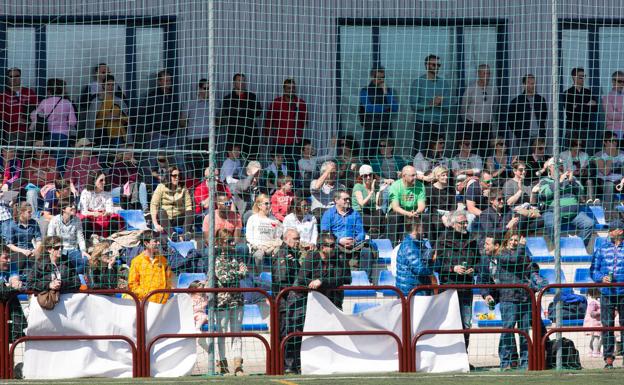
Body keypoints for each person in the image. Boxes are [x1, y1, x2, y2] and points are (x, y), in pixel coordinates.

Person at [284, 231, 351, 374]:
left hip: (331, 301)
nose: (333, 248)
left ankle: (329, 363)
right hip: (304, 301)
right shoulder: (311, 257)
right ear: (321, 246)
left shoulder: (339, 257)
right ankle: (292, 365)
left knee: (331, 334)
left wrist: (321, 282)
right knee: (297, 331)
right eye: (330, 245)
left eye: (334, 244)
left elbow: (345, 278)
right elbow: (302, 279)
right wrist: (313, 283)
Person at [483, 231, 532, 370]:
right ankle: (505, 362)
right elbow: (514, 261)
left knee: (524, 332)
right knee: (508, 331)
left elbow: (530, 267)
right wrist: (522, 247)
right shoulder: (501, 254)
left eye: (516, 240)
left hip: (524, 297)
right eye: (511, 240)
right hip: (508, 298)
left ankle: (526, 363)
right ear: (506, 241)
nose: (513, 243)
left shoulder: (523, 254)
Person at [435, 210, 481, 353]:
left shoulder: (472, 240)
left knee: (466, 324)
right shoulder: (443, 240)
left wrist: (474, 269)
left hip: (466, 288)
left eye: (466, 222)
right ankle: (448, 355)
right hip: (448, 288)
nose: (464, 225)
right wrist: (452, 268)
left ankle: (463, 356)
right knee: (449, 324)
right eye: (462, 223)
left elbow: (479, 262)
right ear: (453, 224)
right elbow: (436, 265)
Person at [213, 228, 248, 376]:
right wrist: (238, 273)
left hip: (237, 299)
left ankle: (238, 365)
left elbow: (245, 272)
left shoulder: (237, 255)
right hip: (222, 301)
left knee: (236, 333)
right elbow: (223, 278)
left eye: (233, 240)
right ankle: (222, 364)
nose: (233, 243)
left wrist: (238, 273)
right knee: (221, 333)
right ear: (220, 243)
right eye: (229, 241)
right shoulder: (215, 257)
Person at [590, 220, 624, 369]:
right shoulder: (601, 249)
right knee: (607, 326)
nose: (609, 232)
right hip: (607, 292)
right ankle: (608, 359)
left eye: (612, 229)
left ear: (620, 231)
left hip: (623, 291)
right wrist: (600, 278)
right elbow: (593, 270)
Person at [537, 157, 594, 245]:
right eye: (556, 165)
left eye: (560, 165)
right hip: (552, 213)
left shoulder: (572, 179)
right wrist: (559, 182)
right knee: (551, 225)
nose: (559, 167)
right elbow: (544, 194)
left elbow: (581, 191)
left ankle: (578, 247)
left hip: (574, 214)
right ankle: (559, 249)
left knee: (589, 223)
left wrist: (571, 182)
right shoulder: (544, 181)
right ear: (549, 168)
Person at [320, 190, 374, 281]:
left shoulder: (355, 214)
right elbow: (325, 233)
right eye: (345, 199)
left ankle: (366, 281)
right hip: (336, 244)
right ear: (336, 200)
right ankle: (343, 282)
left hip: (355, 244)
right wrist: (339, 240)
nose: (348, 201)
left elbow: (361, 232)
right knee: (339, 255)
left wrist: (355, 240)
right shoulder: (328, 214)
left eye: (348, 199)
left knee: (367, 251)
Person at [136, 70, 185, 168]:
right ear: (159, 82)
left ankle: (183, 181)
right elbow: (142, 113)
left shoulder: (173, 96)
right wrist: (148, 130)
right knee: (150, 161)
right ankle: (147, 182)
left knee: (178, 160)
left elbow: (176, 112)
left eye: (169, 81)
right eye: (165, 81)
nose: (168, 83)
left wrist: (176, 126)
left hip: (171, 134)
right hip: (157, 134)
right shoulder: (152, 96)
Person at [29, 78, 77, 173]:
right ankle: (59, 181)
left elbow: (33, 115)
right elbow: (73, 122)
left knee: (47, 160)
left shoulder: (44, 102)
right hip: (63, 135)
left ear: (49, 90)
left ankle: (47, 177)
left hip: (48, 135)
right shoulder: (67, 103)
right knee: (61, 161)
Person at [410, 54, 455, 152]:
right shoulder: (418, 82)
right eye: (433, 65)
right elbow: (413, 105)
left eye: (438, 65)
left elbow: (449, 104)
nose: (436, 67)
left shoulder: (444, 83)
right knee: (420, 151)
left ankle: (438, 168)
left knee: (438, 151)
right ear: (427, 65)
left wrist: (440, 103)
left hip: (438, 123)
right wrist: (430, 104)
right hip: (422, 123)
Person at [273, 228, 302, 373]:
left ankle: (293, 365)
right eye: (296, 238)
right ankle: (287, 366)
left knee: (294, 334)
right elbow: (280, 280)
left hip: (293, 303)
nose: (298, 241)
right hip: (286, 304)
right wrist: (295, 289)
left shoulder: (293, 254)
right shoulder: (282, 254)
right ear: (286, 239)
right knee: (287, 334)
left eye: (298, 238)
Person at [219, 73, 263, 158]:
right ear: (234, 82)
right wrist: (246, 110)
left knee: (252, 162)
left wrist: (240, 111)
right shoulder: (228, 98)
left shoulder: (252, 97)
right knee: (233, 163)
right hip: (234, 136)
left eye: (243, 81)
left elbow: (258, 112)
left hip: (250, 135)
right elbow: (229, 114)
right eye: (239, 80)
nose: (242, 83)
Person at [265, 78, 308, 164]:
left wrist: (298, 133)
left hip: (295, 142)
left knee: (294, 165)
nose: (291, 90)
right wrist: (267, 137)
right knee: (280, 165)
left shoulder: (301, 103)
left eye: (293, 88)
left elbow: (305, 121)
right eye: (288, 88)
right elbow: (269, 122)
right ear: (284, 89)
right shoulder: (276, 103)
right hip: (280, 141)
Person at [359, 67, 398, 159]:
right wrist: (385, 107)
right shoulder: (365, 90)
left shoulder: (388, 91)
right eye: (379, 77)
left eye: (383, 77)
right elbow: (368, 108)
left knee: (386, 154)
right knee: (369, 154)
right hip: (371, 127)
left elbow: (395, 108)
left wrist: (385, 93)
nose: (381, 80)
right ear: (372, 77)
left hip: (385, 127)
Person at [461, 64, 498, 156]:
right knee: (471, 151)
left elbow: (495, 107)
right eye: (484, 73)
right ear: (479, 74)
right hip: (473, 124)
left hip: (487, 125)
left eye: (488, 73)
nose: (487, 76)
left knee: (486, 151)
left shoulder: (493, 89)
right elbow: (463, 108)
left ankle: (486, 169)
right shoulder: (471, 89)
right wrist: (467, 121)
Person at [507, 74, 548, 155]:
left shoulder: (540, 99)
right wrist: (518, 133)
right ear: (524, 85)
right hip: (523, 138)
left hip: (538, 137)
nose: (532, 85)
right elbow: (511, 120)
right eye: (529, 83)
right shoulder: (517, 101)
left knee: (538, 161)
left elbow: (544, 116)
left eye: (533, 83)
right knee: (524, 161)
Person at [46, 198, 90, 275]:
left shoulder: (77, 220)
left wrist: (83, 251)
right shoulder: (55, 220)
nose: (73, 207)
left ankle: (76, 279)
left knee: (84, 261)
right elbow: (50, 237)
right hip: (59, 250)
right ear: (63, 209)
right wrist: (54, 250)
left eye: (74, 205)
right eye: (70, 206)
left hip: (73, 249)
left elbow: (80, 237)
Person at [128, 230, 173, 304]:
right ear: (146, 243)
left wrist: (164, 298)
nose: (158, 243)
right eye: (155, 241)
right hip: (144, 303)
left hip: (161, 304)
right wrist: (146, 295)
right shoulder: (136, 262)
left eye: (158, 241)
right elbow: (132, 284)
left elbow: (168, 281)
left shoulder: (163, 261)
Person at [87, 74, 128, 153]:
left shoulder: (120, 101)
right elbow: (91, 121)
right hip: (101, 133)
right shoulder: (96, 101)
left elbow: (127, 119)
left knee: (118, 156)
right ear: (103, 85)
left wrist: (119, 117)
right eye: (108, 84)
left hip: (117, 133)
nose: (110, 87)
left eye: (113, 85)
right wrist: (105, 118)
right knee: (102, 156)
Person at [203, 194, 248, 264]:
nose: (229, 205)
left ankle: (242, 271)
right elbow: (207, 239)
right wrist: (220, 247)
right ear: (218, 205)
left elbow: (236, 238)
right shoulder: (209, 218)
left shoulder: (236, 217)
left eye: (230, 203)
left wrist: (229, 246)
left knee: (243, 248)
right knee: (207, 252)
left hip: (230, 245)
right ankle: (209, 273)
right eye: (226, 203)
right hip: (215, 246)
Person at [387, 165, 426, 244]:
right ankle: (392, 245)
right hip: (399, 211)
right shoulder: (395, 186)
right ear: (404, 176)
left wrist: (416, 212)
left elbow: (422, 205)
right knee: (395, 217)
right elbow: (395, 207)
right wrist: (408, 214)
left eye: (416, 175)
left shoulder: (420, 186)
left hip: (414, 211)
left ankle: (425, 245)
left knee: (427, 216)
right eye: (412, 175)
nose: (415, 177)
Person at [395, 218, 434, 296]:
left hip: (416, 289)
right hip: (411, 292)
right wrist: (433, 263)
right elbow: (420, 269)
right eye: (422, 226)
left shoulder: (418, 244)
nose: (424, 229)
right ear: (417, 228)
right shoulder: (409, 246)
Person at [245, 194, 283, 274]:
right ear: (259, 205)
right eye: (266, 204)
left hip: (271, 246)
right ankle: (259, 277)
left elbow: (277, 237)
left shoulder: (273, 219)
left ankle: (276, 278)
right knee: (259, 255)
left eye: (270, 203)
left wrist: (273, 246)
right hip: (258, 246)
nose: (269, 206)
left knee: (280, 253)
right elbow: (249, 237)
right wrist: (258, 246)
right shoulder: (253, 219)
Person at [0, 67, 38, 145]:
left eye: (17, 76)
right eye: (11, 76)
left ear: (20, 77)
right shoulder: (3, 95)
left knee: (26, 155)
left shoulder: (29, 92)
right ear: (7, 78)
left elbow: (38, 108)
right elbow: (1, 114)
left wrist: (29, 120)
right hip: (11, 131)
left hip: (28, 130)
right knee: (12, 156)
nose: (14, 78)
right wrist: (16, 119)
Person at [563, 68, 599, 151]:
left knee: (588, 152)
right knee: (570, 153)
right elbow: (570, 111)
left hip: (585, 127)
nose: (583, 78)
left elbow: (594, 109)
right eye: (580, 76)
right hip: (572, 128)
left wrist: (578, 106)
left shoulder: (588, 92)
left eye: (584, 76)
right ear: (574, 77)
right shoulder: (567, 93)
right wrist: (587, 105)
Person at [150, 166, 193, 235]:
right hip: (165, 218)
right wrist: (155, 224)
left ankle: (185, 234)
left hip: (178, 217)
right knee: (161, 211)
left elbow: (188, 205)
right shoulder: (161, 187)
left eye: (179, 175)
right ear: (168, 176)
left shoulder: (183, 188)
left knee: (190, 211)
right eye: (174, 175)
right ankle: (172, 235)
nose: (177, 177)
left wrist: (189, 211)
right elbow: (153, 205)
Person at [2, 202, 41, 274]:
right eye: (29, 212)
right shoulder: (12, 225)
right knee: (21, 259)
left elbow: (39, 240)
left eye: (31, 212)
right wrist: (23, 251)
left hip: (31, 251)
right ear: (21, 212)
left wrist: (35, 250)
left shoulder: (34, 223)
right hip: (17, 252)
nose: (31, 214)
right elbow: (9, 244)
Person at [185, 79, 214, 177]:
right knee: (195, 167)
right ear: (200, 89)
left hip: (208, 139)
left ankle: (207, 190)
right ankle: (196, 190)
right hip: (194, 140)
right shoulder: (191, 103)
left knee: (208, 167)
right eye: (205, 88)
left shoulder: (214, 103)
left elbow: (220, 120)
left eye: (210, 89)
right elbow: (182, 121)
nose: (208, 91)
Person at [78, 171, 120, 237]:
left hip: (103, 217)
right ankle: (87, 240)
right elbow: (83, 211)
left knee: (114, 221)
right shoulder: (86, 192)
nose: (104, 182)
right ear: (94, 181)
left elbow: (110, 209)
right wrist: (93, 214)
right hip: (90, 216)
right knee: (85, 222)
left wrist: (107, 213)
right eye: (101, 180)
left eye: (105, 180)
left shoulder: (107, 193)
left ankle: (110, 240)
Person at [0, 242, 26, 344]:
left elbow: (15, 281)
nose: (9, 260)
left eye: (9, 257)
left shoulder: (12, 265)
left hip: (9, 306)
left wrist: (15, 283)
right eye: (5, 258)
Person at [351, 164, 387, 234]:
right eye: (365, 175)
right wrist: (371, 192)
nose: (368, 177)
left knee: (380, 213)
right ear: (361, 177)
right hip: (360, 213)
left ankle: (372, 234)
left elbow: (378, 204)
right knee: (380, 220)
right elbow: (361, 204)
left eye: (370, 175)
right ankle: (373, 235)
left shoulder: (375, 187)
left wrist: (380, 191)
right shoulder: (358, 186)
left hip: (371, 213)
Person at [596, 131, 624, 219]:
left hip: (621, 181)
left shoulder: (622, 154)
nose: (614, 143)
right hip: (604, 181)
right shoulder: (599, 155)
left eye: (615, 141)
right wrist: (611, 156)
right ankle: (608, 214)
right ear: (605, 142)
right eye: (612, 141)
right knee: (609, 185)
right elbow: (605, 172)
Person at [424, 166, 458, 239]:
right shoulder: (429, 189)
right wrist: (442, 217)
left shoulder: (451, 189)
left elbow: (453, 206)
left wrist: (448, 216)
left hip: (449, 214)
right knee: (437, 223)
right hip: (434, 215)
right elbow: (430, 207)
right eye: (443, 175)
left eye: (446, 175)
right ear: (437, 176)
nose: (446, 177)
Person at [560, 137, 595, 204]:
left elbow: (587, 170)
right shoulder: (563, 154)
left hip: (582, 176)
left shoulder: (584, 155)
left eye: (580, 145)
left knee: (589, 181)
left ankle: (590, 201)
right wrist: (572, 172)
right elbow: (562, 169)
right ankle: (582, 201)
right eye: (576, 144)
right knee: (576, 181)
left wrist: (583, 171)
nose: (578, 147)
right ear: (571, 145)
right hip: (569, 177)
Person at [603, 71, 624, 140]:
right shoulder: (607, 97)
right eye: (620, 81)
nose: (622, 84)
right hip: (614, 131)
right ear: (613, 81)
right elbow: (611, 115)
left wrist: (618, 112)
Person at [583, 287, 602, 358]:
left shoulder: (592, 301)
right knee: (596, 337)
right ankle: (595, 352)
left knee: (594, 337)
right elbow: (592, 313)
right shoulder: (593, 302)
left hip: (593, 322)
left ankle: (591, 351)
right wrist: (600, 312)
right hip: (594, 323)